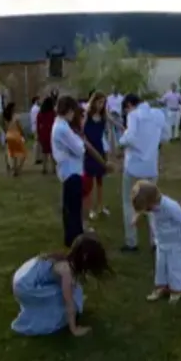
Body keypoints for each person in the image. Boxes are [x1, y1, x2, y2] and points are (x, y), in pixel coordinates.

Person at [10, 234, 110, 337]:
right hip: (24, 287)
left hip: (22, 276)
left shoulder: (63, 260)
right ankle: (38, 320)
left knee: (73, 289)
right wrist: (74, 329)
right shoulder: (66, 270)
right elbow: (68, 302)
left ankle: (39, 311)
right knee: (66, 296)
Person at [51, 96, 108, 248]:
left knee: (70, 208)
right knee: (73, 210)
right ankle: (74, 238)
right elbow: (80, 149)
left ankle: (72, 237)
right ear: (69, 110)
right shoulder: (63, 128)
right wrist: (80, 142)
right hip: (71, 172)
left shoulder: (61, 125)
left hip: (69, 170)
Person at [131, 180, 181, 303]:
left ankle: (176, 290)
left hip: (175, 242)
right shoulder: (152, 207)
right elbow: (143, 211)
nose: (147, 210)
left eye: (147, 208)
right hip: (161, 241)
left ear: (152, 201)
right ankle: (161, 287)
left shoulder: (171, 207)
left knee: (175, 266)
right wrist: (137, 217)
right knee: (161, 266)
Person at [119, 93, 165, 252]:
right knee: (152, 203)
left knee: (129, 203)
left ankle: (131, 241)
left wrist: (121, 141)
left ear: (129, 105)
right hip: (151, 166)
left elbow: (130, 137)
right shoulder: (158, 114)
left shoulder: (133, 115)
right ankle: (155, 241)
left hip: (134, 166)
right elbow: (165, 136)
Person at [82, 92, 110, 221]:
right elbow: (81, 131)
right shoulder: (87, 115)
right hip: (88, 150)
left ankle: (100, 206)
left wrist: (123, 127)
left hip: (100, 148)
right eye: (99, 102)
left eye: (103, 102)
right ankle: (90, 209)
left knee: (100, 180)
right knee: (89, 182)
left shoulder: (103, 116)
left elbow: (112, 123)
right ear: (93, 102)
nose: (101, 105)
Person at [3, 103, 27, 176]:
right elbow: (19, 127)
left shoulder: (6, 117)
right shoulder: (15, 116)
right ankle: (18, 168)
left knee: (13, 154)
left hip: (9, 135)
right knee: (24, 154)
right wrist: (23, 134)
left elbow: (5, 128)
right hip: (15, 135)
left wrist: (6, 136)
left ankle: (14, 170)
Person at [29, 96, 41, 164]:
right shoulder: (37, 109)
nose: (40, 101)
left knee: (38, 143)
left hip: (34, 127)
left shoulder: (33, 108)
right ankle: (36, 158)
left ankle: (38, 158)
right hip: (37, 127)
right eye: (39, 100)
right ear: (36, 101)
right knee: (37, 142)